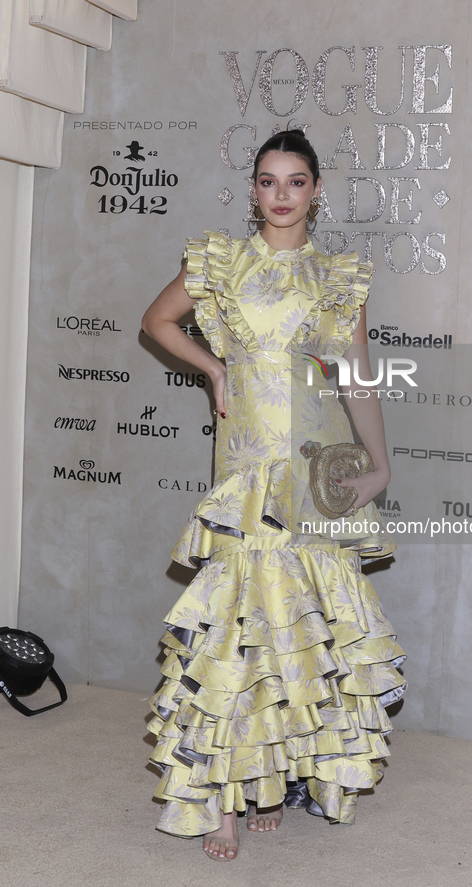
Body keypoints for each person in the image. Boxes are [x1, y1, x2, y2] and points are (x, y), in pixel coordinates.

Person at [141, 129, 406, 861]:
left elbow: (355, 380)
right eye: (267, 181)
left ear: (315, 190)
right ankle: (223, 801)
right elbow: (156, 321)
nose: (280, 194)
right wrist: (212, 370)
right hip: (248, 468)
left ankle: (274, 783)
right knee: (238, 631)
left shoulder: (339, 277)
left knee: (303, 636)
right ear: (252, 189)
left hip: (319, 467)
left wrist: (378, 466)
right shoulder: (219, 264)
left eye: (294, 181)